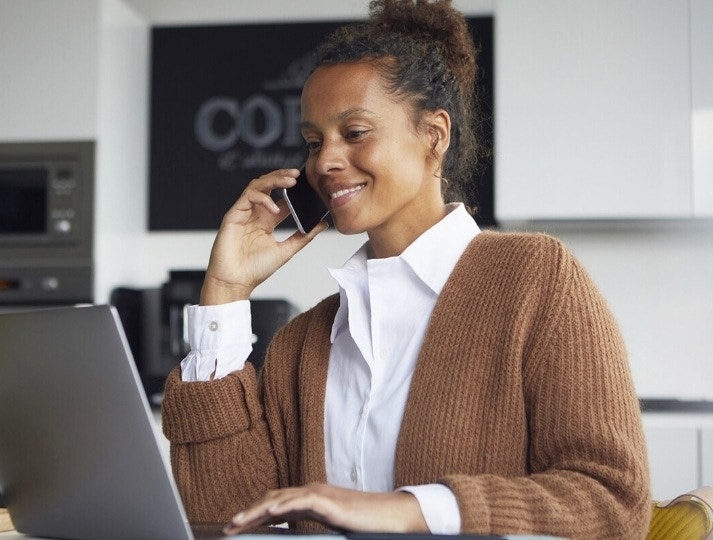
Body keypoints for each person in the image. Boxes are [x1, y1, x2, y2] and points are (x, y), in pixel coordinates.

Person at [161, 0, 652, 537]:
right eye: (312, 142)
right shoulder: (302, 345)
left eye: (355, 133)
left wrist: (411, 509)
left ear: (433, 137)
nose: (323, 161)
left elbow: (611, 501)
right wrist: (226, 292)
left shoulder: (534, 278)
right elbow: (231, 522)